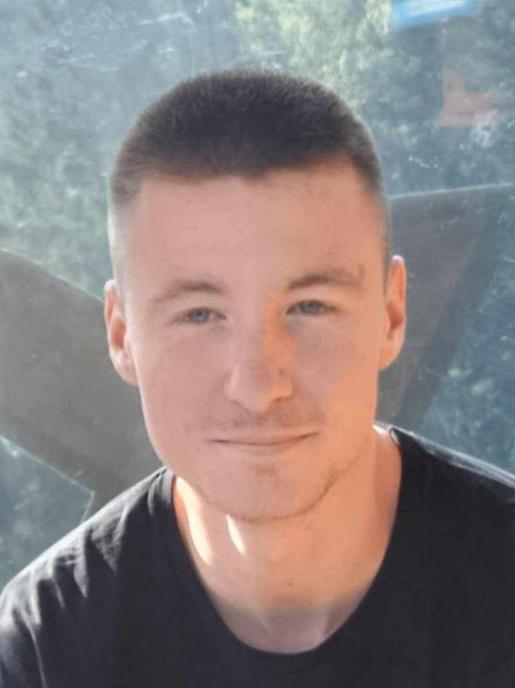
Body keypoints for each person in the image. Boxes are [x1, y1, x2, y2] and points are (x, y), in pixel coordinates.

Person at [1, 69, 515, 688]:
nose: (258, 384)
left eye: (310, 306)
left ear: (391, 313)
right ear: (121, 334)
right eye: (199, 315)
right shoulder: (43, 650)